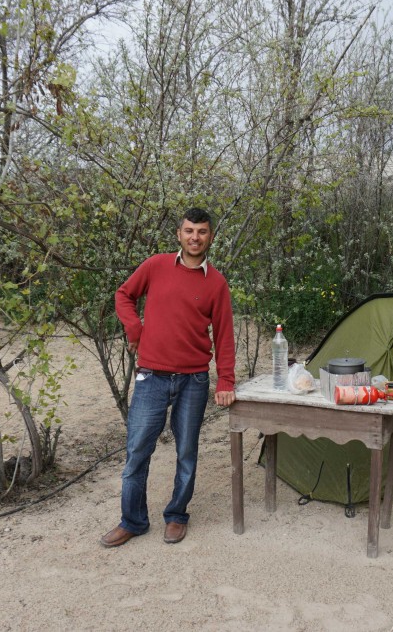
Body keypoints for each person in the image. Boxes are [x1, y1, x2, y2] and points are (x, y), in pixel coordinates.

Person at [101, 207, 236, 547]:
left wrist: (226, 380)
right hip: (152, 377)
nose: (195, 237)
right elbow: (123, 295)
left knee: (187, 451)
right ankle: (132, 520)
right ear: (179, 234)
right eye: (189, 230)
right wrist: (135, 328)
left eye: (202, 231)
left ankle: (176, 515)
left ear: (211, 236)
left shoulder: (216, 283)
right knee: (136, 452)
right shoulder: (156, 266)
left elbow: (223, 335)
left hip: (193, 380)